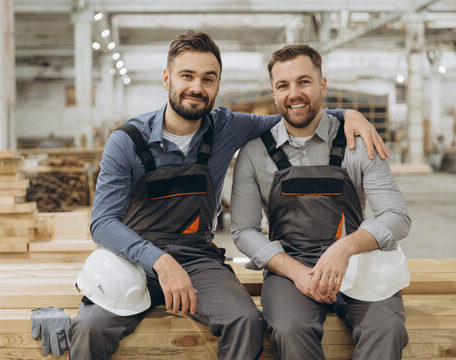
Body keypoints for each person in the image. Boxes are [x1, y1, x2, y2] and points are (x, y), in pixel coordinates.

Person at [68, 31, 386, 360]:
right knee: (90, 329)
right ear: (167, 79)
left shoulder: (227, 127)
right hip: (131, 259)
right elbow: (102, 223)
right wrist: (160, 262)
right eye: (186, 76)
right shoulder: (128, 141)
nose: (197, 87)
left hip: (196, 260)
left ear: (218, 86)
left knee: (246, 321)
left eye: (208, 79)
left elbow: (295, 112)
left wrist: (348, 114)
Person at [231, 44, 410, 360]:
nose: (294, 93)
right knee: (289, 328)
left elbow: (396, 216)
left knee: (387, 329)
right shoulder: (255, 153)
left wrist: (345, 249)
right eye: (283, 85)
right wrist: (296, 271)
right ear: (273, 93)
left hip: (357, 261)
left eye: (304, 82)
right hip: (291, 266)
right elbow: (243, 230)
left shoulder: (357, 142)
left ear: (322, 84)